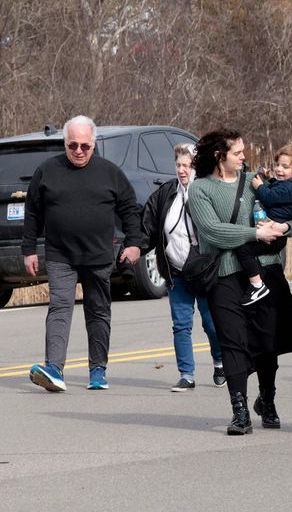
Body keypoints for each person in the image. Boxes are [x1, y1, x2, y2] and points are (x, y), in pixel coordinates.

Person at [189, 128, 292, 435]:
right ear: (220, 156)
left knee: (268, 342)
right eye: (238, 153)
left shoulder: (255, 182)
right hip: (225, 274)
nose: (245, 157)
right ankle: (239, 410)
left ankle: (266, 399)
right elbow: (212, 231)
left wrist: (284, 225)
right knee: (232, 341)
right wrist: (254, 233)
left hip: (267, 269)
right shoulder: (200, 188)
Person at [24, 115, 145, 392]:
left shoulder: (110, 173)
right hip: (60, 254)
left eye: (85, 146)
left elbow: (129, 209)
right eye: (72, 145)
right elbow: (32, 212)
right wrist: (28, 249)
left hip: (98, 255)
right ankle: (54, 369)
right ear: (65, 143)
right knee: (59, 308)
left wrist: (134, 243)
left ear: (94, 144)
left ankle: (98, 370)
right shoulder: (47, 171)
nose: (78, 151)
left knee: (98, 311)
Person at [141, 143, 225, 391]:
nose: (181, 170)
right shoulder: (166, 194)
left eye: (186, 165)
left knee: (211, 323)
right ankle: (186, 374)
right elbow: (147, 225)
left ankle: (220, 361)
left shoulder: (207, 192)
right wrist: (134, 247)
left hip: (204, 270)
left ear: (196, 167)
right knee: (181, 324)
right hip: (176, 269)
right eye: (178, 165)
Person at [237, 144, 292, 306]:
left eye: (285, 167)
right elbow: (277, 189)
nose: (279, 169)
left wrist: (259, 186)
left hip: (274, 237)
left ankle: (257, 285)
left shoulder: (291, 186)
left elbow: (270, 197)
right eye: (277, 165)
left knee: (244, 250)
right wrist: (267, 178)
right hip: (275, 234)